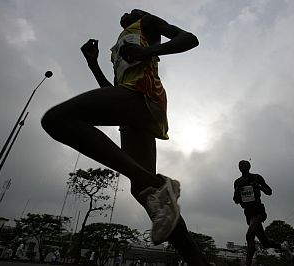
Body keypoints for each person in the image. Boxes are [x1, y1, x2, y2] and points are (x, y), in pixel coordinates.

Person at [42, 9, 208, 265]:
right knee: (143, 192)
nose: (125, 13)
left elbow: (189, 39)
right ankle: (198, 260)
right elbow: (112, 92)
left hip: (143, 98)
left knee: (57, 119)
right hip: (130, 110)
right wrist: (92, 63)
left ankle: (159, 184)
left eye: (131, 10)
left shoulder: (147, 23)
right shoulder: (115, 50)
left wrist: (147, 52)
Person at [233, 160, 292, 266]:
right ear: (238, 168)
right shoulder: (237, 182)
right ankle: (283, 246)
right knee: (265, 243)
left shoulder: (257, 177)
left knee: (249, 235)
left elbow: (269, 191)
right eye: (240, 165)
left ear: (249, 166)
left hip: (259, 211)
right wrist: (237, 190)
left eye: (244, 164)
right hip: (248, 214)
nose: (242, 166)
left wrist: (259, 187)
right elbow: (236, 200)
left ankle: (248, 264)